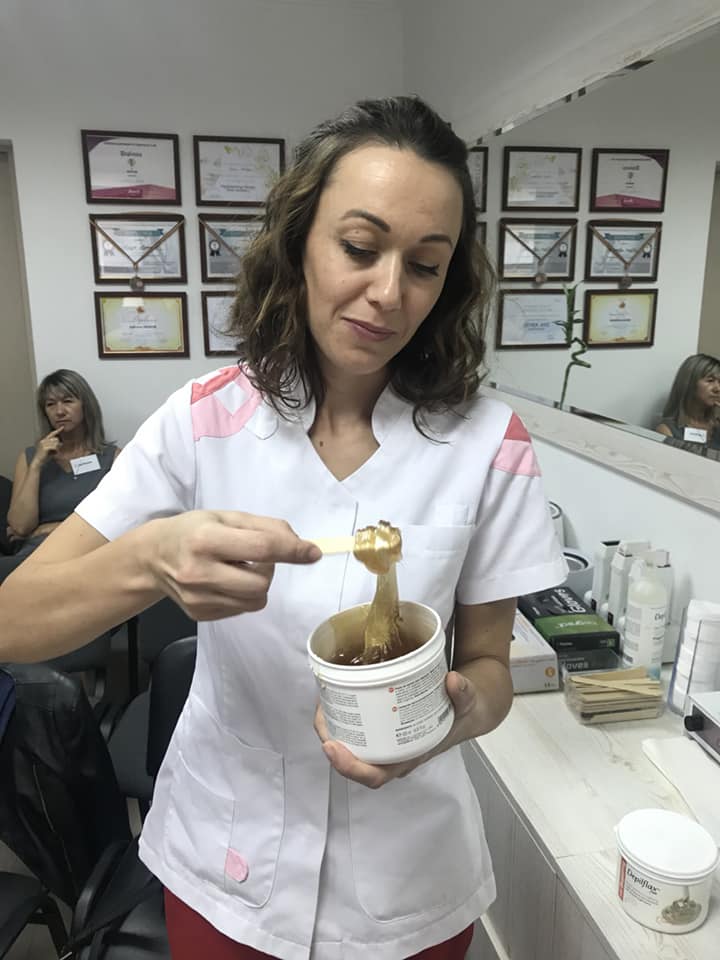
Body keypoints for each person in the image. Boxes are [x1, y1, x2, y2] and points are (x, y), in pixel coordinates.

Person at [0, 97, 566, 960]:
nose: (389, 292)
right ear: (299, 242)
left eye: (425, 265)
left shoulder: (491, 445)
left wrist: (450, 721)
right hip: (226, 866)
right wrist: (151, 559)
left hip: (407, 881)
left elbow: (490, 667)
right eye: (360, 247)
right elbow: (13, 620)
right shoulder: (203, 420)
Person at [0, 369, 119, 582]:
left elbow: (120, 521)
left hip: (90, 552)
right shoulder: (29, 457)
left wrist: (56, 527)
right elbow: (20, 527)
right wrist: (37, 464)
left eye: (68, 401)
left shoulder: (113, 457)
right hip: (37, 554)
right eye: (50, 404)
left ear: (85, 405)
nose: (60, 411)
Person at [655, 353, 720, 449]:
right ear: (690, 383)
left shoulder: (717, 425)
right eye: (710, 380)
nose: (717, 389)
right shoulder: (667, 429)